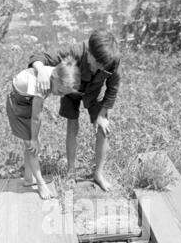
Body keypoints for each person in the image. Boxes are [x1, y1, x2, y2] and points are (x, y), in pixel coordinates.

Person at [28, 30, 121, 191]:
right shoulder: (75, 51)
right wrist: (41, 70)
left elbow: (113, 86)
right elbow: (39, 57)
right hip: (70, 91)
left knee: (103, 129)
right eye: (96, 62)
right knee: (72, 125)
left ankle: (98, 174)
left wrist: (103, 113)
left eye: (102, 65)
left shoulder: (111, 60)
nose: (99, 67)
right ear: (89, 52)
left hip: (94, 94)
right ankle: (71, 172)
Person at [6, 56, 81, 199]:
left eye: (64, 94)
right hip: (17, 106)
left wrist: (34, 137)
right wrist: (34, 138)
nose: (61, 95)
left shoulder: (55, 73)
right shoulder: (41, 84)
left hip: (26, 102)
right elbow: (37, 116)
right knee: (31, 145)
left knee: (30, 144)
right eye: (60, 92)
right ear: (54, 78)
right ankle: (41, 184)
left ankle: (29, 179)